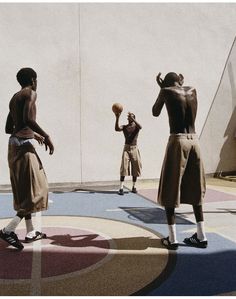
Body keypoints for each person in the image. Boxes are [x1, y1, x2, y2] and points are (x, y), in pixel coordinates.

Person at [0, 67, 54, 250]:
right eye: (36, 80)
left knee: (25, 191)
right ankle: (8, 230)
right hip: (24, 147)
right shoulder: (30, 93)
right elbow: (28, 118)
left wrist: (32, 134)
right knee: (39, 190)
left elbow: (8, 128)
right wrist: (45, 135)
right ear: (32, 80)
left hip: (13, 145)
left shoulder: (14, 98)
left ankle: (31, 231)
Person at [152, 72, 207, 250]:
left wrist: (161, 89)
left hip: (177, 141)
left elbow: (155, 112)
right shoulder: (193, 90)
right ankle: (201, 236)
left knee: (170, 186)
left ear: (166, 83)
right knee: (196, 187)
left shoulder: (166, 91)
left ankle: (173, 239)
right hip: (194, 140)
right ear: (180, 80)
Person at [115, 111, 142, 195]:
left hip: (134, 148)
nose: (129, 118)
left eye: (132, 117)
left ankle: (134, 187)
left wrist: (133, 118)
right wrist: (117, 117)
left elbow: (140, 127)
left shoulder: (136, 127)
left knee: (136, 167)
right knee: (124, 167)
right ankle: (121, 188)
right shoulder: (125, 127)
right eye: (129, 117)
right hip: (126, 148)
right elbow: (116, 129)